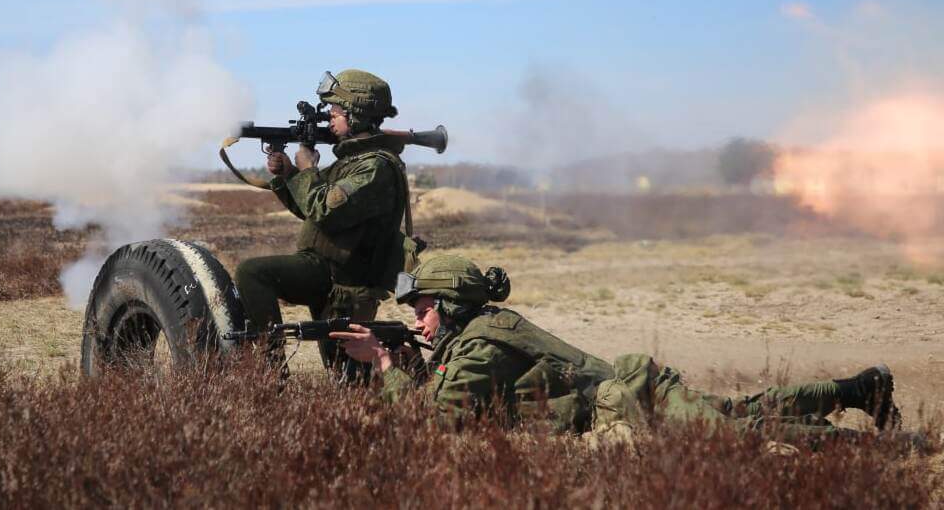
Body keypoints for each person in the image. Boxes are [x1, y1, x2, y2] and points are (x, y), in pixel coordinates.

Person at [331, 254, 902, 438]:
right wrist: (407, 358)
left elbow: (441, 420)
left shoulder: (481, 344)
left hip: (630, 400)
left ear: (452, 304)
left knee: (730, 437)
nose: (420, 320)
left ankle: (891, 451)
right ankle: (860, 389)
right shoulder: (478, 334)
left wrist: (384, 364)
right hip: (630, 392)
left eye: (424, 308)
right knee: (739, 412)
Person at [235, 70, 410, 376]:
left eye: (336, 111)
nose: (330, 117)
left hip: (345, 283)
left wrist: (305, 169)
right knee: (346, 375)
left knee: (349, 378)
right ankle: (270, 369)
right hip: (324, 271)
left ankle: (271, 371)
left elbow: (324, 210)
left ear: (356, 115)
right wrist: (288, 175)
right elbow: (310, 207)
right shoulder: (353, 163)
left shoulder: (375, 169)